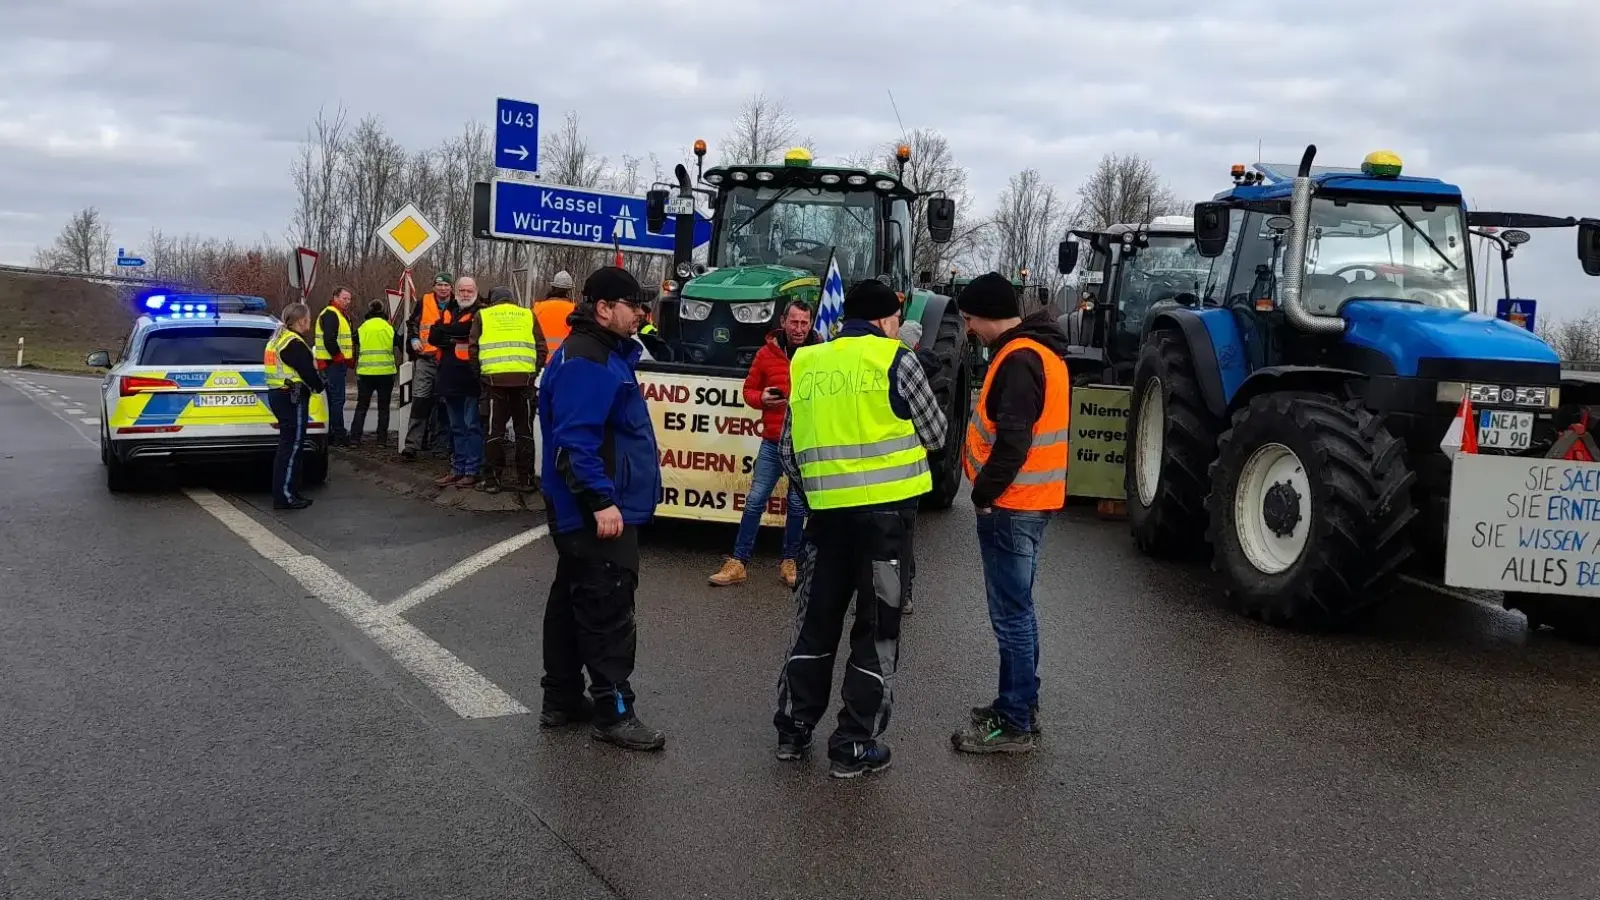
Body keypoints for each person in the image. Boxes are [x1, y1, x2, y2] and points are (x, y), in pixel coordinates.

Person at [772, 280, 947, 778]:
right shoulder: (898, 359)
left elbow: (788, 450)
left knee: (814, 624)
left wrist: (822, 491)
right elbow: (936, 435)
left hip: (825, 524)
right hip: (886, 529)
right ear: (887, 319)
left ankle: (793, 729)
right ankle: (852, 744)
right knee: (877, 630)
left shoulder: (808, 361)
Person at [538, 266, 665, 752]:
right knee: (606, 603)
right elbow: (575, 442)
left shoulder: (599, 353)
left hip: (587, 506)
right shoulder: (589, 359)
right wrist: (602, 501)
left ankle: (562, 698)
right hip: (595, 509)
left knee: (572, 599)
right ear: (605, 308)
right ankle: (615, 712)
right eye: (634, 305)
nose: (642, 314)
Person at [947, 272, 1071, 755]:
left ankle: (1015, 722)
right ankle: (1017, 703)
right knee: (1020, 612)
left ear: (987, 315)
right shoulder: (1042, 354)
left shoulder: (1018, 360)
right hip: (1031, 504)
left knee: (1011, 616)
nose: (969, 328)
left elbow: (1013, 443)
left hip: (1011, 506)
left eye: (970, 319)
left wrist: (982, 494)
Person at [708, 299, 818, 589]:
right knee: (755, 500)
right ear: (783, 322)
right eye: (794, 322)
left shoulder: (821, 353)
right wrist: (762, 399)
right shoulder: (766, 353)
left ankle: (790, 562)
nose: (799, 328)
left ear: (811, 323)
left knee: (797, 505)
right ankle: (739, 562)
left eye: (804, 323)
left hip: (804, 442)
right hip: (772, 440)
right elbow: (748, 390)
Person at [470, 285, 547, 494]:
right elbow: (542, 348)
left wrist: (481, 376)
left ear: (492, 299)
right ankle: (526, 481)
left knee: (494, 432)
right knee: (525, 432)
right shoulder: (527, 315)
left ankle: (492, 481)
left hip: (494, 383)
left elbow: (473, 349)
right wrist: (532, 374)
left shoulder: (483, 315)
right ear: (512, 299)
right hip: (524, 382)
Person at [263, 303, 325, 511]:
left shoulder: (277, 339)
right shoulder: (293, 343)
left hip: (279, 394)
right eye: (308, 318)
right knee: (293, 446)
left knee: (288, 445)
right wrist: (320, 386)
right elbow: (308, 372)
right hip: (293, 396)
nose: (310, 321)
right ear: (301, 320)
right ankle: (286, 496)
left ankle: (289, 491)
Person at [427, 276, 483, 489]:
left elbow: (466, 331)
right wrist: (453, 334)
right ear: (456, 291)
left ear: (475, 291)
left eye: (469, 290)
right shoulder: (449, 309)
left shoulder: (480, 312)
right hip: (449, 378)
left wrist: (449, 333)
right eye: (462, 290)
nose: (465, 294)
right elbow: (433, 337)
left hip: (470, 378)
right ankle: (457, 469)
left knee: (472, 426)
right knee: (456, 427)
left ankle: (471, 470)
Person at [402, 273, 455, 459]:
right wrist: (414, 338)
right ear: (434, 287)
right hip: (426, 359)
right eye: (439, 285)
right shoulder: (424, 302)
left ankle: (440, 446)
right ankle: (412, 445)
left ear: (451, 288)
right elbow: (412, 324)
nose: (443, 288)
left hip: (447, 360)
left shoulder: (457, 305)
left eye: (446, 285)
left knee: (445, 403)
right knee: (420, 400)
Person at [351, 299, 399, 446]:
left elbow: (353, 341)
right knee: (383, 407)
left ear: (370, 309)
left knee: (362, 406)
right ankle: (381, 440)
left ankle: (354, 439)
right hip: (386, 373)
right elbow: (398, 342)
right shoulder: (388, 328)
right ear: (382, 310)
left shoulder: (363, 328)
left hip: (365, 373)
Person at [314, 286, 357, 446]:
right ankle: (338, 434)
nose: (347, 302)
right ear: (335, 297)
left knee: (332, 400)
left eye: (349, 299)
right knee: (337, 400)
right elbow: (329, 340)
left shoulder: (339, 315)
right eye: (344, 298)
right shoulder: (331, 314)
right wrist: (339, 357)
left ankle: (332, 433)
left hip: (332, 363)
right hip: (332, 364)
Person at [534, 270, 577, 353]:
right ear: (569, 291)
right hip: (563, 359)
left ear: (553, 288)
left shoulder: (538, 308)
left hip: (542, 358)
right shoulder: (575, 310)